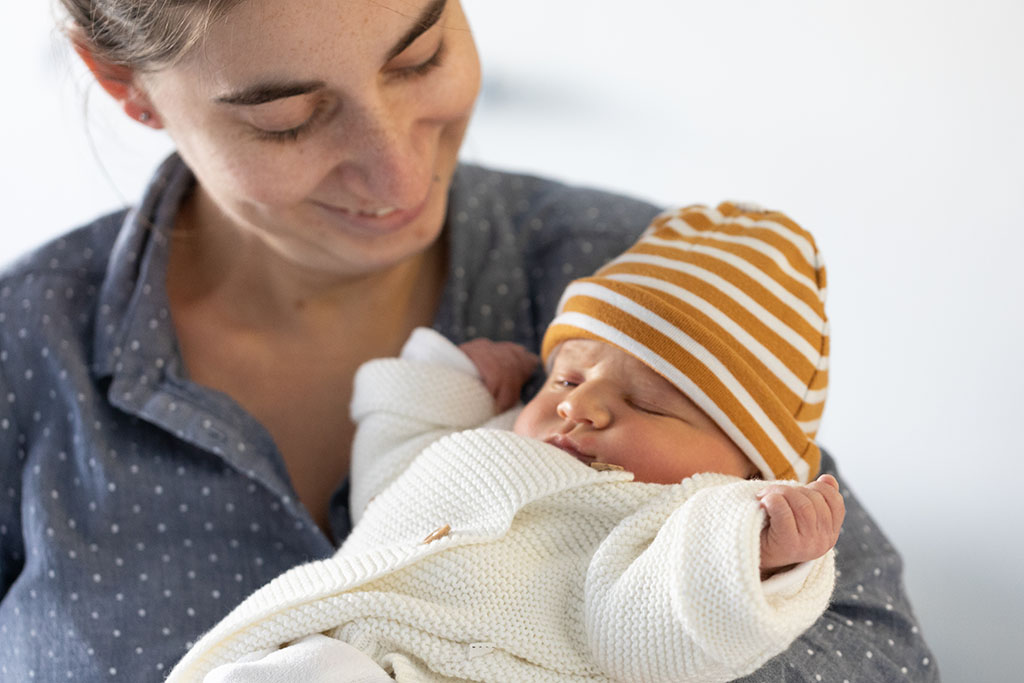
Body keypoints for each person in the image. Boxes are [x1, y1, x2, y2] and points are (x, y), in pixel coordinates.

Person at [0, 0, 938, 681]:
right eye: (289, 119)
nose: (398, 166)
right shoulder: (24, 347)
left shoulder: (647, 284)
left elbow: (868, 650)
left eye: (419, 56)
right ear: (124, 85)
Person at [168, 203, 845, 682]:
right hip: (336, 648)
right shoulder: (493, 443)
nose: (578, 404)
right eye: (569, 375)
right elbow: (388, 484)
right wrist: (447, 386)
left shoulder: (675, 530)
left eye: (646, 401)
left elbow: (650, 639)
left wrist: (752, 555)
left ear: (747, 466)